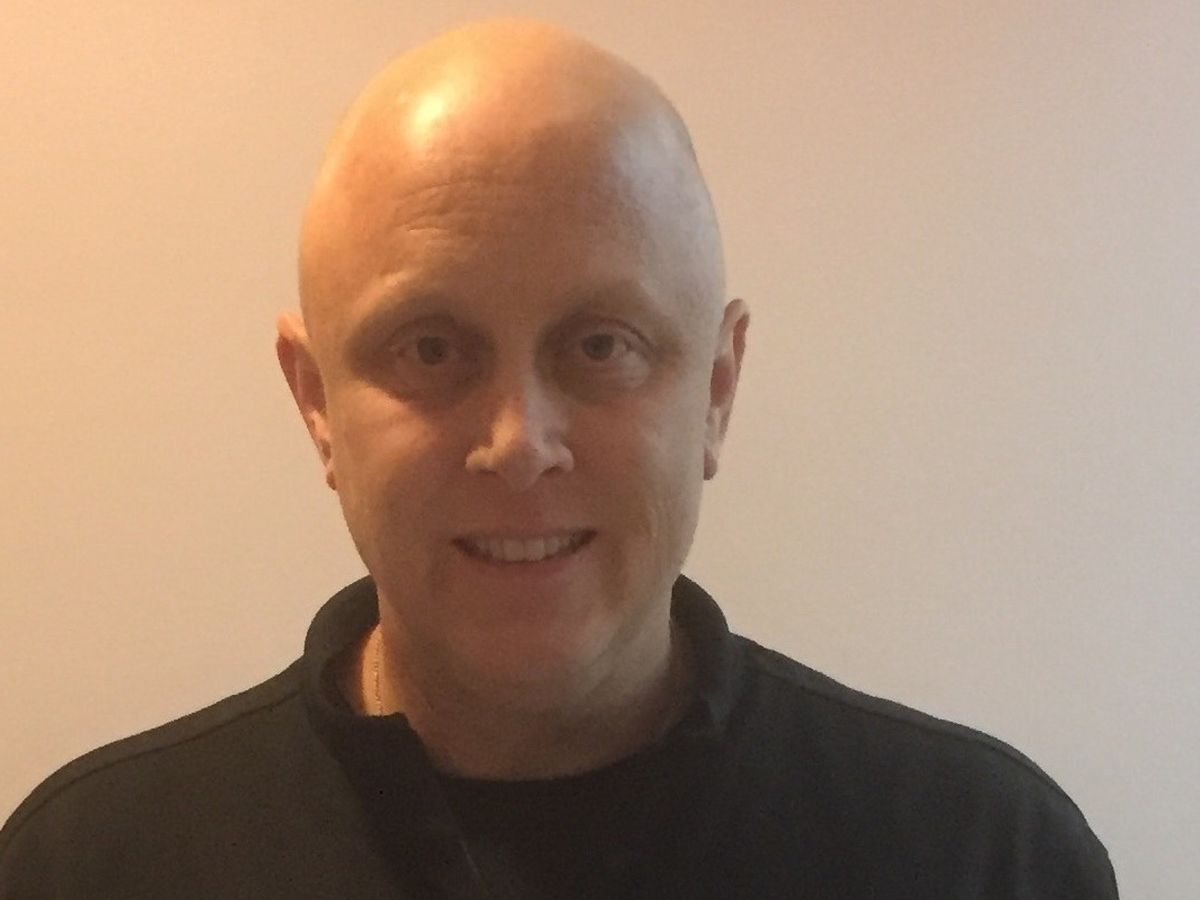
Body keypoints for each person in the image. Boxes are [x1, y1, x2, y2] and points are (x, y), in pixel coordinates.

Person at [0, 18, 1117, 899]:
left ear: (717, 388)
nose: (520, 444)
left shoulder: (986, 859)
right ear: (316, 401)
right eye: (430, 348)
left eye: (601, 347)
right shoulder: (86, 867)